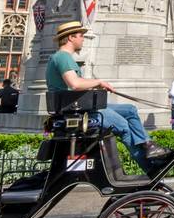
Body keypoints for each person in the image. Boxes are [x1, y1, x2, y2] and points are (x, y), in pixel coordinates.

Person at [44, 20, 167, 171]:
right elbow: (74, 84)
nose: (83, 39)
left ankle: (148, 144)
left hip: (79, 107)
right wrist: (99, 82)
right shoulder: (63, 57)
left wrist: (97, 85)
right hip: (78, 113)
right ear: (71, 38)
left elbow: (76, 84)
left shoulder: (61, 57)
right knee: (123, 126)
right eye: (81, 36)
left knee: (130, 110)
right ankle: (149, 169)